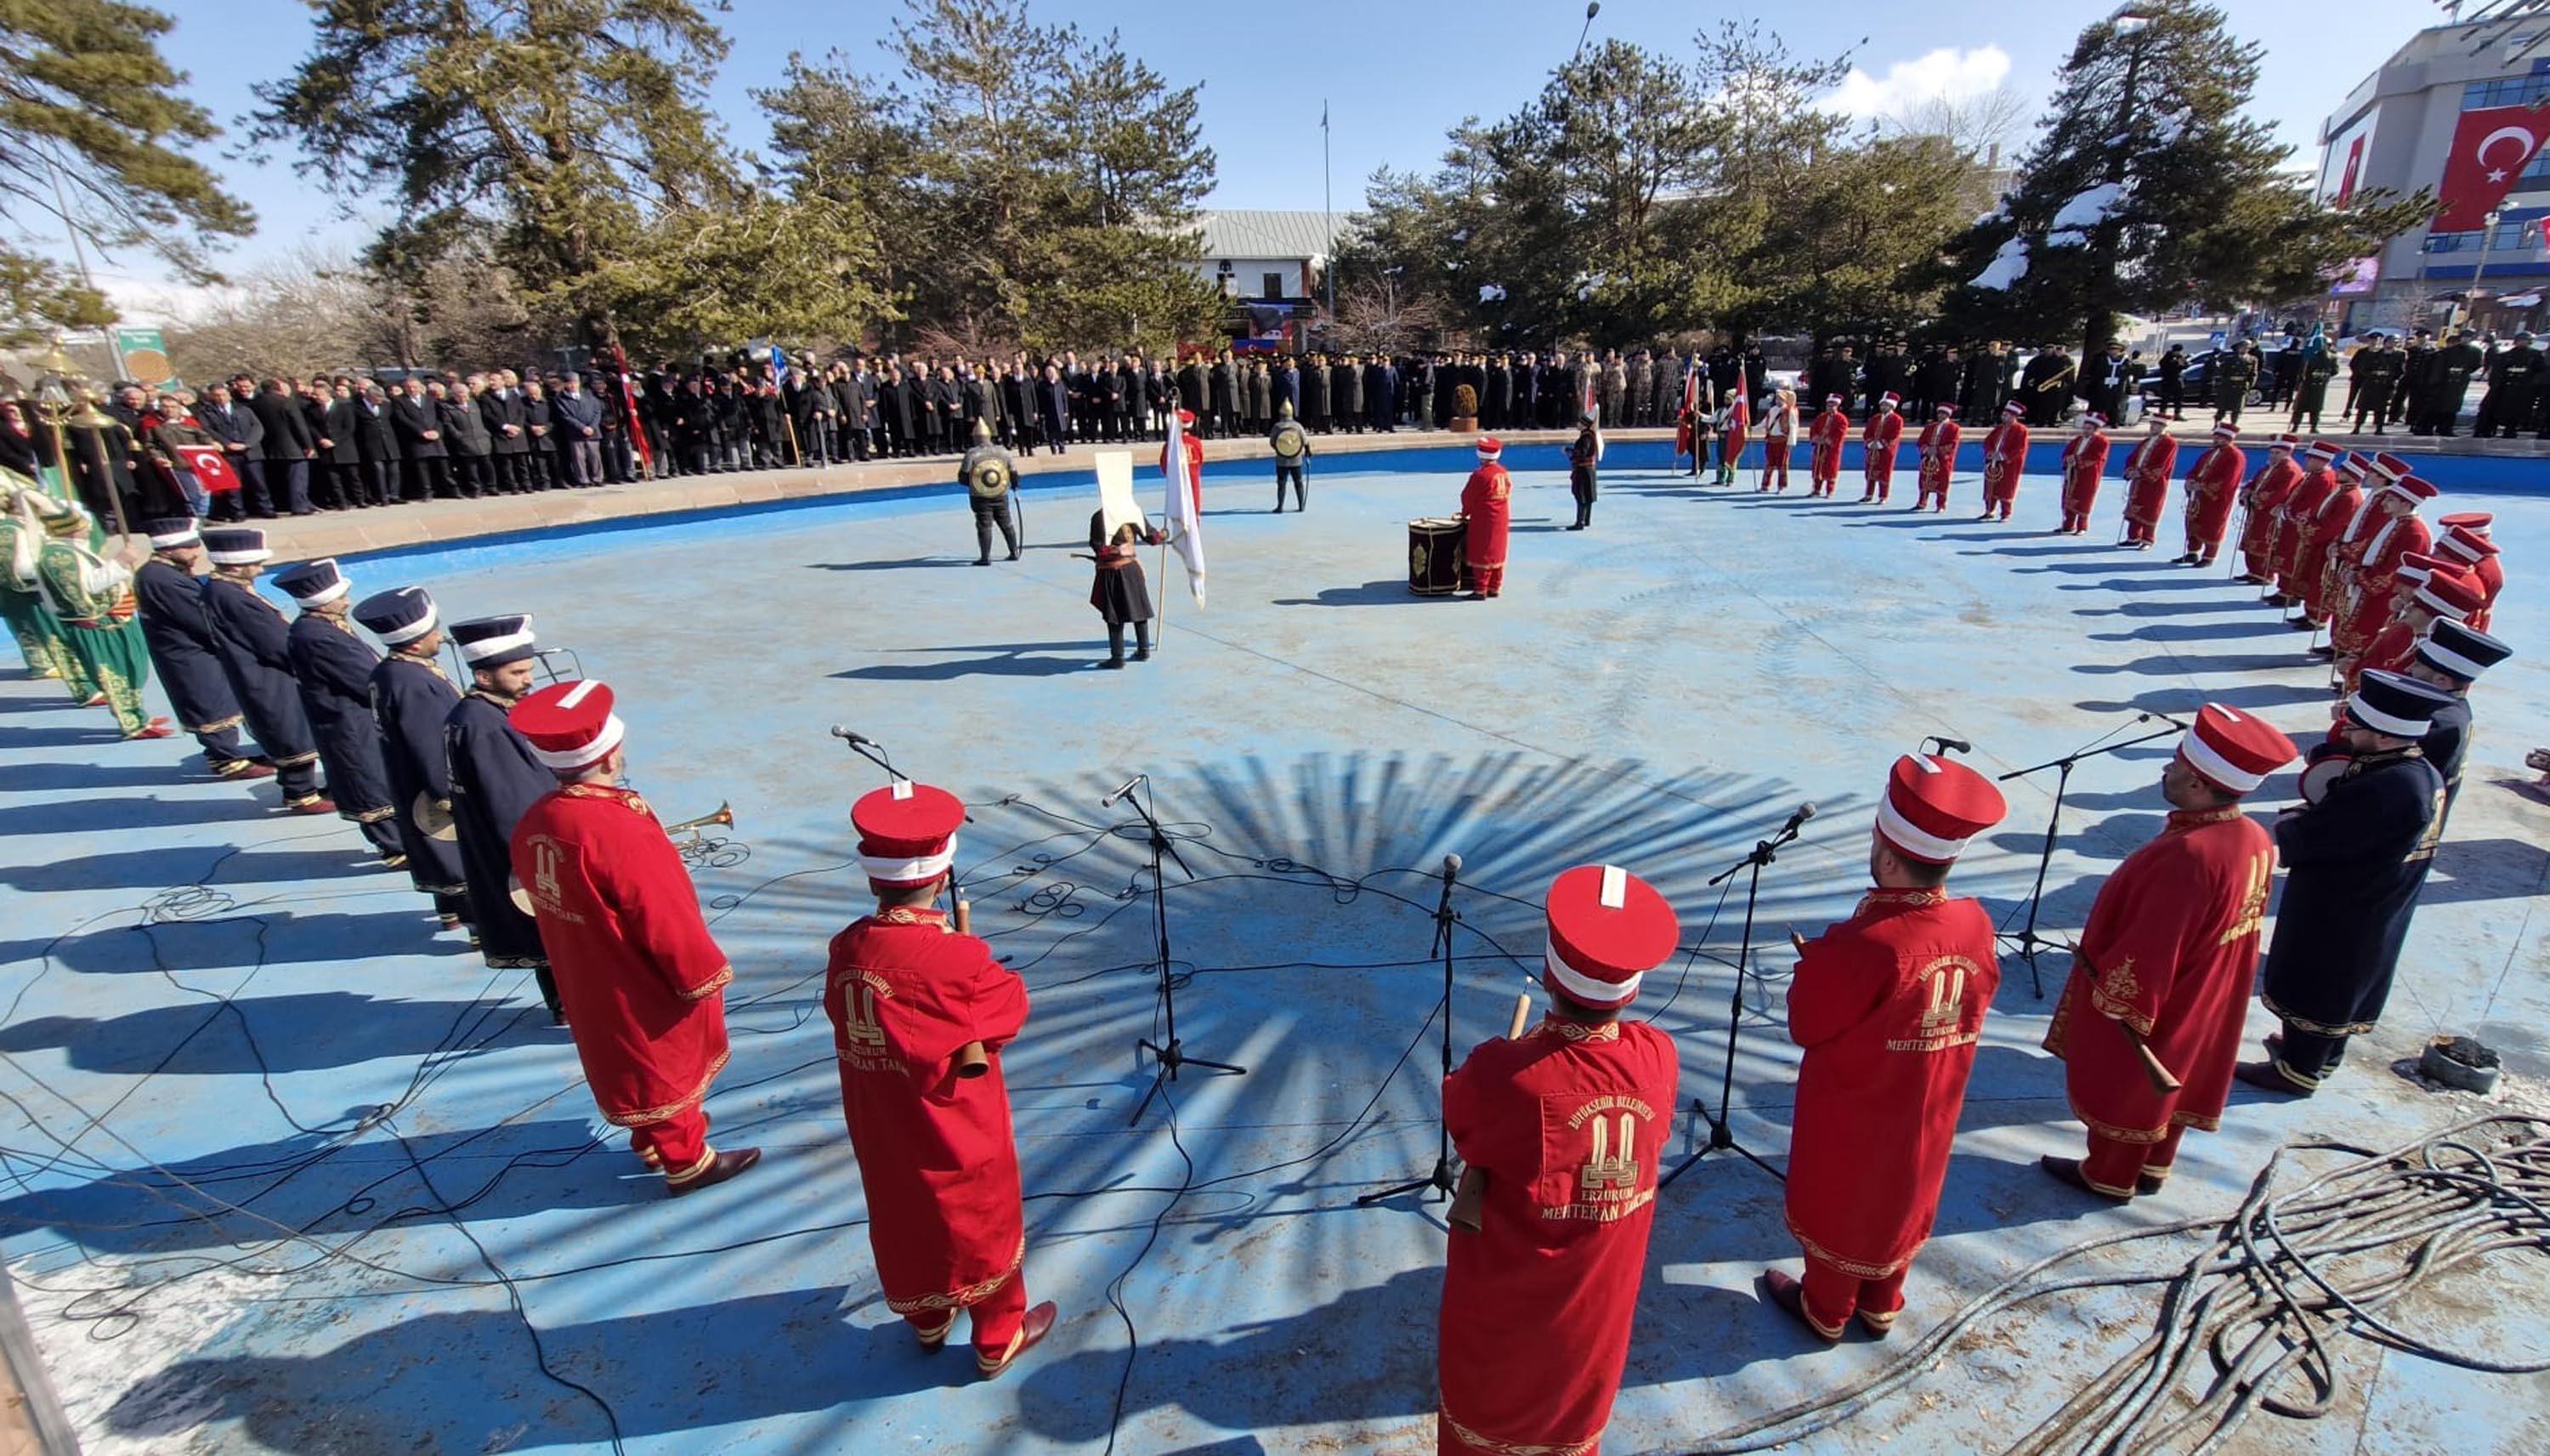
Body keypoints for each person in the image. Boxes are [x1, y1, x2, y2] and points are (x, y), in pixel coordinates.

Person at [1435, 862, 1679, 1455]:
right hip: (1595, 1317)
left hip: (1508, 1324)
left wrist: (1515, 1058)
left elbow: (1462, 1117)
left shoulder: (1505, 1074)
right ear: (1632, 988)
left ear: (1549, 974)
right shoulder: (1659, 1058)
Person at [1762, 751, 2007, 1343]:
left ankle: (1827, 1308)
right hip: (1930, 1101)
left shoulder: (1870, 944)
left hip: (1862, 1106)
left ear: (1890, 857)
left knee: (1846, 1194)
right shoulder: (1975, 924)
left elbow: (1808, 1023)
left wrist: (1818, 968)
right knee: (1907, 1190)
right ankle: (1882, 1300)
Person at [824, 779, 1057, 1378]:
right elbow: (1009, 1009)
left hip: (882, 1118)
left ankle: (927, 1318)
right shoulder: (956, 959)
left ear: (874, 879)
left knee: (904, 1210)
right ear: (943, 871)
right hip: (951, 1124)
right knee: (977, 1213)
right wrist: (961, 951)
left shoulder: (847, 947)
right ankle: (997, 1335)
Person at [507, 679, 760, 1194]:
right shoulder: (617, 826)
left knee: (623, 1055)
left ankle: (649, 1139)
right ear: (609, 754)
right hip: (635, 972)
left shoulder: (535, 820)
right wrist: (700, 972)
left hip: (584, 968)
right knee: (662, 1057)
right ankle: (687, 1160)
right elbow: (662, 914)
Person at [2038, 705, 2294, 1203]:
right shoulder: (2253, 837)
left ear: (2197, 783)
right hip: (2211, 990)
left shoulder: (2188, 854)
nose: (2165, 769)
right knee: (2181, 1073)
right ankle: (2154, 1164)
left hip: (2168, 993)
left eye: (2175, 764)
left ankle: (2109, 1175)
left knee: (2133, 1082)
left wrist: (2121, 1002)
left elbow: (2153, 944)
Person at [2241, 670, 2455, 1096]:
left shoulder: (2392, 787)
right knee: (2340, 987)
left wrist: (2291, 824)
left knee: (2320, 982)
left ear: (2384, 735)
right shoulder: (2413, 770)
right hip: (2368, 906)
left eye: (2355, 729)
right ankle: (2321, 1053)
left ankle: (2299, 1070)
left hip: (2345, 909)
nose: (2348, 733)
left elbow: (2323, 836)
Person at [444, 614, 560, 1016]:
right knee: (550, 928)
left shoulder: (473, 715)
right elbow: (513, 801)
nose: (528, 679)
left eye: (528, 670)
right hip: (523, 848)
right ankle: (569, 1005)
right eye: (517, 673)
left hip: (505, 844)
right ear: (484, 676)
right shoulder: (487, 727)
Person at [353, 586, 473, 932]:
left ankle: (450, 911)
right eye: (433, 631)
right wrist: (448, 795)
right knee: (455, 854)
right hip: (432, 787)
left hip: (410, 781)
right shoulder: (413, 683)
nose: (439, 636)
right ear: (415, 643)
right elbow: (428, 744)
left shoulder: (391, 672)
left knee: (438, 854)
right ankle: (477, 924)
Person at [271, 559, 405, 867]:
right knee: (367, 779)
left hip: (353, 719)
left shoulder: (320, 627)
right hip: (348, 723)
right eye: (341, 597)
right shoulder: (318, 637)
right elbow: (363, 677)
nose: (347, 602)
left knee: (374, 774)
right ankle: (395, 848)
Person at [199, 528, 331, 810]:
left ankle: (298, 787)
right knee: (289, 727)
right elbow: (274, 641)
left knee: (285, 725)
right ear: (236, 565)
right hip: (267, 676)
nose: (260, 569)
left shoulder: (220, 590)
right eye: (255, 563)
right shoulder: (233, 597)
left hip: (254, 674)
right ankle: (301, 793)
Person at [23, 490, 172, 740]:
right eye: (85, 525)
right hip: (99, 624)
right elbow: (89, 586)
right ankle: (131, 723)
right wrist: (120, 562)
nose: (89, 528)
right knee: (113, 674)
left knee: (129, 669)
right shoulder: (60, 555)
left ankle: (137, 714)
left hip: (113, 618)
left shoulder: (69, 549)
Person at [128, 518, 263, 777]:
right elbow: (200, 616)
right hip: (188, 654)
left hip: (192, 649)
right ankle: (225, 759)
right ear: (169, 549)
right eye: (189, 547)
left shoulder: (164, 573)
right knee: (208, 701)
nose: (196, 552)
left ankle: (226, 753)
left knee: (220, 696)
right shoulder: (162, 579)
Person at [2407, 618, 2512, 826]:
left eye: (2417, 665)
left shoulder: (2438, 722)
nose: (2409, 669)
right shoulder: (2455, 709)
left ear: (2441, 680)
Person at [2289, 450, 2369, 637]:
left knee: (2323, 582)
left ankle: (2318, 617)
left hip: (2328, 545)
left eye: (2343, 470)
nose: (2338, 472)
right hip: (2321, 544)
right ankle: (2310, 613)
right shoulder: (2342, 492)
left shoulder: (2349, 497)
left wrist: (2310, 530)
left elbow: (2334, 525)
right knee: (2314, 578)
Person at [1086, 507, 1158, 669]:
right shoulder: (1133, 511)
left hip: (1113, 572)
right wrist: (1163, 534)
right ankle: (1143, 650)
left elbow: (1098, 547)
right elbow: (1153, 538)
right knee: (1139, 610)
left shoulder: (1100, 516)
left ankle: (1118, 657)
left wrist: (1116, 550)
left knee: (1115, 614)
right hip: (1132, 568)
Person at [2234, 434, 2304, 584]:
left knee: (2265, 542)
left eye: (2277, 453)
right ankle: (2253, 571)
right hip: (2257, 511)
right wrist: (2247, 489)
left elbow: (2281, 492)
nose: (2273, 456)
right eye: (2271, 452)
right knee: (2252, 539)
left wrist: (2256, 498)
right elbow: (2255, 481)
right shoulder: (2269, 467)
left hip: (2270, 513)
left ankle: (2265, 574)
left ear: (2288, 452)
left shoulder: (2290, 470)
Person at [2175, 421, 2247, 568]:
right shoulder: (2210, 453)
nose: (2215, 439)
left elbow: (2228, 479)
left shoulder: (2235, 456)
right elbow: (2196, 469)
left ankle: (2209, 556)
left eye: (2219, 437)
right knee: (2194, 521)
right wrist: (2190, 480)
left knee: (2212, 525)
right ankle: (2192, 552)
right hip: (2198, 496)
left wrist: (2203, 486)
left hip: (2216, 498)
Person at [956, 420, 1020, 565]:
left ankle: (985, 557)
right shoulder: (1003, 451)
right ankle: (1014, 552)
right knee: (1006, 523)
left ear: (975, 438)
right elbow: (1013, 473)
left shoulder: (972, 454)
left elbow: (963, 477)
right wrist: (1015, 486)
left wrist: (974, 485)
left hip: (980, 497)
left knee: (984, 525)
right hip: (1001, 493)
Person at [1459, 437, 1512, 600]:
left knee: (1482, 551)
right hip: (1501, 517)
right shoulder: (1503, 472)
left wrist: (1465, 512)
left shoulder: (1479, 475)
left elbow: (1468, 496)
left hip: (1484, 518)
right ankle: (1494, 586)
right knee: (1497, 549)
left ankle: (1481, 589)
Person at [2117, 414, 2179, 550]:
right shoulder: (2146, 441)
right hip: (2138, 481)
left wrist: (2142, 473)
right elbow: (2133, 457)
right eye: (2152, 424)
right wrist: (2130, 469)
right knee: (2134, 507)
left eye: (2156, 425)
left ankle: (2147, 539)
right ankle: (2133, 537)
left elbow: (2163, 464)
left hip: (2154, 483)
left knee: (2150, 510)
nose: (2152, 427)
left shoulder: (2169, 443)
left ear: (2163, 426)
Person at [2058, 412, 2111, 535]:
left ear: (2095, 429)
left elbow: (2096, 457)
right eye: (2085, 428)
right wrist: (2068, 459)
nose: (2085, 431)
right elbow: (2067, 452)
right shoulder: (2078, 440)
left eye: (2089, 429)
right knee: (2069, 496)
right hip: (2073, 473)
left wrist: (2076, 460)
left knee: (2084, 498)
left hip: (2088, 475)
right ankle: (2068, 524)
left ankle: (2082, 526)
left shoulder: (2102, 441)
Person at [1977, 400, 2027, 522]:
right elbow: (1988, 441)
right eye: (2003, 415)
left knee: (2006, 488)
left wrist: (2004, 456)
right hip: (1994, 463)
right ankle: (1989, 510)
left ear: (2013, 416)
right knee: (1991, 486)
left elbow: (2020, 448)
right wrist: (1990, 452)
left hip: (2009, 465)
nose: (2003, 417)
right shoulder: (1999, 428)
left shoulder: (2021, 430)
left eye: (2006, 415)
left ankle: (2006, 514)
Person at [2346, 336, 2401, 435]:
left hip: (2385, 385)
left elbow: (2400, 370)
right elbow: (2363, 368)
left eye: (2394, 342)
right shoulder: (2374, 354)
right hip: (2370, 384)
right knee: (2363, 407)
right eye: (2389, 342)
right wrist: (2372, 374)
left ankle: (2379, 428)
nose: (2391, 344)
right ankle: (2357, 427)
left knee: (2381, 408)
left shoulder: (2399, 355)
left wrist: (2391, 378)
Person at [1912, 403, 1959, 513]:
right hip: (1928, 459)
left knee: (1942, 481)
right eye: (1939, 413)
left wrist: (1938, 450)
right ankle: (1922, 502)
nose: (1941, 416)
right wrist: (1926, 449)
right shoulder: (1930, 427)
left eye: (1944, 414)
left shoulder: (1954, 428)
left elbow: (1953, 444)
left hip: (1943, 461)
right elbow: (1921, 441)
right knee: (1924, 480)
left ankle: (1941, 505)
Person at [1857, 393, 1903, 503]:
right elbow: (1868, 432)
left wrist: (1881, 443)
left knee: (1884, 472)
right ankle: (1868, 494)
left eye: (1886, 405)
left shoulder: (1897, 419)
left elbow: (1894, 435)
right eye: (1882, 405)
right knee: (1870, 471)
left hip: (1886, 451)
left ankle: (1883, 496)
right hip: (1872, 449)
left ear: (1892, 406)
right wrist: (1870, 442)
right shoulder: (1875, 418)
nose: (1883, 407)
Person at [1269, 400, 1310, 513]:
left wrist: (1281, 449)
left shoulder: (1277, 427)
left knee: (1281, 483)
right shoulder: (1298, 426)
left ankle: (1280, 507)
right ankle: (1301, 506)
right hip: (1296, 459)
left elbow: (1272, 442)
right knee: (1299, 482)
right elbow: (1305, 442)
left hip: (1282, 460)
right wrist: (1308, 451)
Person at [1161, 408, 1204, 516]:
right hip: (1193, 480)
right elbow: (1200, 461)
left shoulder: (1170, 445)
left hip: (1177, 481)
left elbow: (1165, 466)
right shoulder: (1196, 443)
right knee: (1194, 510)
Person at [1808, 394, 1848, 498]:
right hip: (1820, 447)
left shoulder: (1841, 419)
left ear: (1837, 406)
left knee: (1830, 468)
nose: (1830, 407)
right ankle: (1816, 489)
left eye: (1832, 405)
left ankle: (1829, 491)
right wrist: (1816, 437)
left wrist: (1829, 440)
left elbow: (1841, 432)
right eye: (1828, 405)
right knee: (1818, 467)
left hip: (1832, 449)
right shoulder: (1821, 417)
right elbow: (1814, 428)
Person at [1758, 387, 1796, 493]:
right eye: (1777, 398)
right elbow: (1765, 423)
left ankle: (1781, 486)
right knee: (1769, 464)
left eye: (1780, 399)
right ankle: (1765, 485)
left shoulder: (1789, 411)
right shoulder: (1772, 410)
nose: (1778, 401)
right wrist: (1752, 428)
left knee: (1782, 465)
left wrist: (1791, 442)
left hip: (1782, 441)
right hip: (1771, 440)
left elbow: (1793, 426)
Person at [1567, 413, 1601, 530]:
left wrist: (1569, 451)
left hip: (1583, 470)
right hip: (1588, 470)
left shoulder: (1586, 438)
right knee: (1587, 495)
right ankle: (1586, 519)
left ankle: (1580, 522)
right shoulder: (1590, 435)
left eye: (1580, 423)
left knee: (1581, 495)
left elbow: (1581, 453)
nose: (1578, 424)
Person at [2155, 344, 2189, 421]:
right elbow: (2163, 365)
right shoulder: (2168, 357)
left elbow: (2186, 365)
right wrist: (2176, 364)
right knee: (2166, 398)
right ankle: (2163, 413)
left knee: (2178, 398)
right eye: (2177, 351)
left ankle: (2176, 414)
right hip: (2169, 380)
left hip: (2175, 380)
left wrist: (2182, 364)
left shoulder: (2179, 357)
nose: (2178, 353)